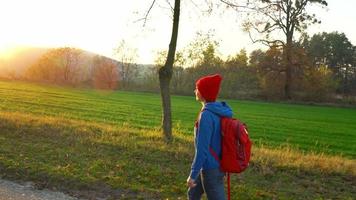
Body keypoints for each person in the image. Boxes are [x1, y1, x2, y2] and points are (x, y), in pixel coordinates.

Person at [187, 74, 233, 200]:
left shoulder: (206, 115)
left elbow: (202, 149)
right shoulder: (217, 110)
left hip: (210, 169)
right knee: (193, 194)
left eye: (197, 88)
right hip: (214, 164)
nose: (195, 91)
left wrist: (192, 174)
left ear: (204, 93)